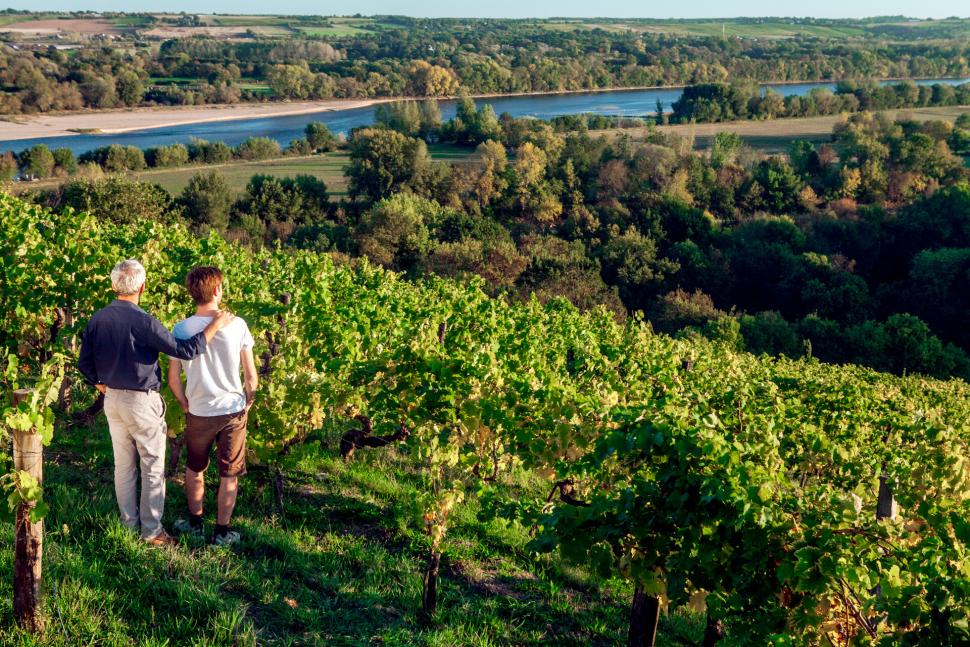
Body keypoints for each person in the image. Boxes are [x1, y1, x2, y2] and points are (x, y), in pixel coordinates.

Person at [78, 259, 234, 546]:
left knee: (123, 466)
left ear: (114, 286)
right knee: (151, 467)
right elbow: (186, 350)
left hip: (112, 399)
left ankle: (128, 526)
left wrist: (101, 385)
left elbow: (84, 363)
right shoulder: (144, 321)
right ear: (142, 286)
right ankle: (151, 532)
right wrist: (216, 324)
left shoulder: (98, 318)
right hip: (141, 401)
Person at [168, 266, 257, 545]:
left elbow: (173, 379)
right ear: (218, 290)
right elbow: (251, 376)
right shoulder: (238, 325)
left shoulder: (180, 329)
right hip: (232, 409)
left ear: (191, 293)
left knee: (195, 469)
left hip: (199, 410)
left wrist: (185, 403)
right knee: (229, 473)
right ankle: (222, 532)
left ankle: (195, 524)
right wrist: (248, 402)